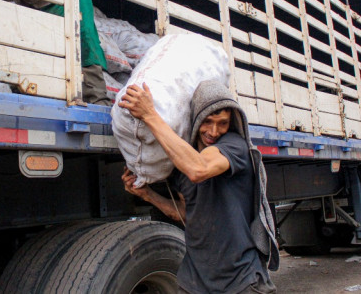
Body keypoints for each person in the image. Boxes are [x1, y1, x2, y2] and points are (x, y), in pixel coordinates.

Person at [119, 80, 279, 294]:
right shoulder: (181, 162)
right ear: (196, 118)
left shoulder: (235, 146)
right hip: (194, 283)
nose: (213, 131)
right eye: (208, 121)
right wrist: (147, 195)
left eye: (222, 123)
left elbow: (199, 169)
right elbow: (185, 213)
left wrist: (149, 115)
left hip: (240, 281)